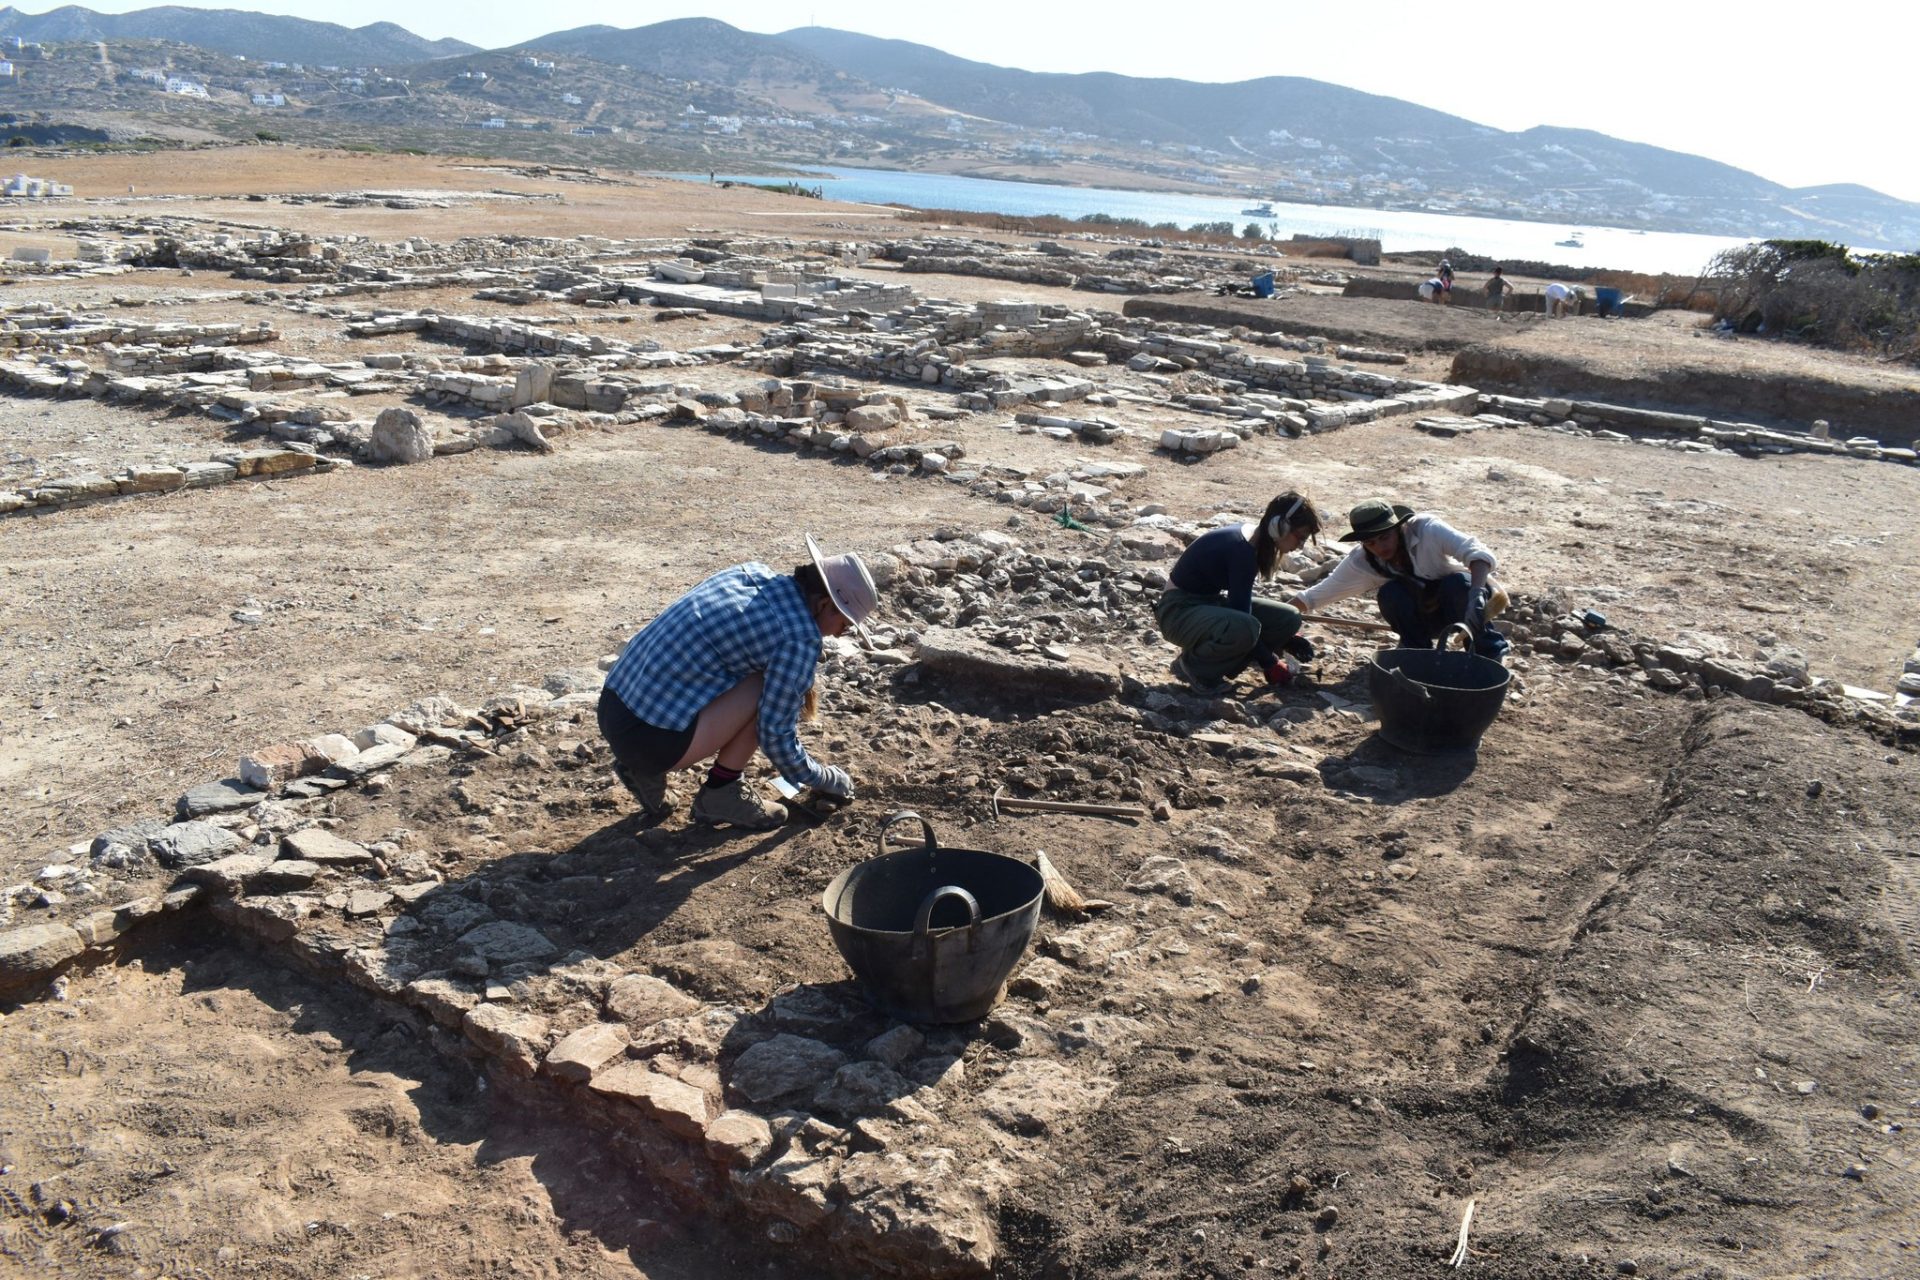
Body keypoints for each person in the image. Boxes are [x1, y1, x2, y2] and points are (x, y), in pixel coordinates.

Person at [597, 534, 876, 830]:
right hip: (645, 740)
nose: (839, 634)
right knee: (765, 690)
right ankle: (722, 790)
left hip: (614, 708)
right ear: (824, 604)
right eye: (844, 624)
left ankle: (641, 771)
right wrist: (824, 778)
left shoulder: (749, 573)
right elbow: (775, 734)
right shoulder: (797, 637)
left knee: (750, 672)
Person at [1289, 499, 1508, 658]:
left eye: (1385, 537)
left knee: (1457, 584)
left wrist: (1476, 594)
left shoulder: (1427, 530)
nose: (1380, 547)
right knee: (1391, 594)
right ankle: (1417, 655)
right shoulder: (1361, 561)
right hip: (1427, 618)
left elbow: (1478, 554)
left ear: (1399, 528)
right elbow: (1314, 596)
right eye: (1371, 543)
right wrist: (1277, 617)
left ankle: (1488, 654)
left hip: (1467, 605)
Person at [1157, 492, 1322, 695]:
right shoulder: (1242, 550)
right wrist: (1270, 662)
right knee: (1245, 627)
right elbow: (1244, 618)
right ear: (1280, 527)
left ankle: (1218, 661)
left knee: (1289, 618)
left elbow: (1242, 607)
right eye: (1301, 537)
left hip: (1206, 603)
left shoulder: (1252, 540)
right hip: (1177, 613)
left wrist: (1288, 638)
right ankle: (1196, 667)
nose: (1300, 545)